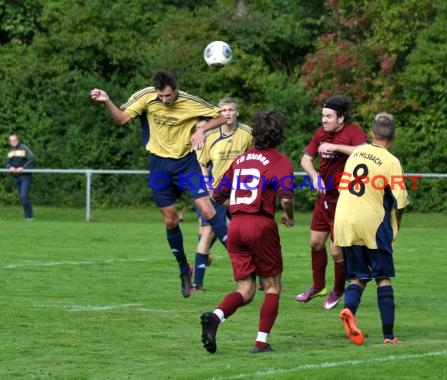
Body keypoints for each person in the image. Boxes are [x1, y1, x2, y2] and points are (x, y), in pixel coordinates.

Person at [90, 69, 230, 298]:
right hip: (159, 166)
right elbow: (123, 119)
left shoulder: (189, 101)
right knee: (170, 220)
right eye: (161, 96)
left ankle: (240, 259)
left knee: (208, 209)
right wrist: (108, 101)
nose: (165, 100)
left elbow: (222, 116)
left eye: (169, 96)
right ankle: (184, 267)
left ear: (176, 90)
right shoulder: (146, 97)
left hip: (186, 164)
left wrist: (202, 128)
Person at [200, 110, 295, 354]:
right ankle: (261, 343)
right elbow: (286, 198)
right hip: (261, 224)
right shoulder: (280, 161)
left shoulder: (241, 159)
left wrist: (238, 208)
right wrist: (290, 216)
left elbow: (218, 195)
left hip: (237, 226)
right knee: (272, 286)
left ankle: (216, 316)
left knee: (246, 290)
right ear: (278, 135)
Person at [334, 112, 409, 345]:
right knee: (383, 277)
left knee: (358, 276)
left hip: (345, 220)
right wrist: (397, 222)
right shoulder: (391, 161)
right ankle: (389, 335)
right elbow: (401, 199)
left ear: (372, 134)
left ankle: (349, 310)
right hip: (372, 224)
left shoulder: (356, 152)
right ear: (393, 135)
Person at [295, 95, 368, 310]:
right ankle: (318, 286)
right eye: (323, 116)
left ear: (341, 118)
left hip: (345, 200)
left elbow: (365, 151)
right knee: (316, 243)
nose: (324, 120)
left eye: (328, 116)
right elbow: (305, 159)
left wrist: (337, 148)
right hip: (324, 198)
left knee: (337, 251)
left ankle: (338, 289)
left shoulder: (353, 131)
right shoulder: (321, 133)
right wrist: (314, 176)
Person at [193, 97, 253, 291]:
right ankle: (197, 282)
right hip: (217, 192)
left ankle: (261, 280)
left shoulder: (248, 133)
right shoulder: (210, 136)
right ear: (219, 114)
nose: (227, 113)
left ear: (237, 113)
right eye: (224, 110)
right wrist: (208, 184)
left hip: (241, 192)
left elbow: (254, 159)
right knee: (208, 233)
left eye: (231, 110)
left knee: (249, 234)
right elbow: (202, 163)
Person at [5, 134, 36, 221]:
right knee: (23, 197)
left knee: (23, 196)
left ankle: (29, 217)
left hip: (25, 176)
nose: (13, 142)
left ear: (18, 140)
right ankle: (28, 216)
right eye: (11, 141)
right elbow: (7, 163)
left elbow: (32, 158)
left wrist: (23, 168)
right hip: (16, 177)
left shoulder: (24, 148)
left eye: (14, 140)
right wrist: (9, 167)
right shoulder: (10, 151)